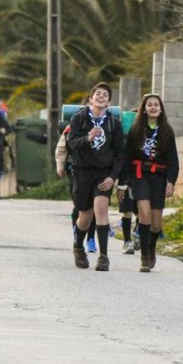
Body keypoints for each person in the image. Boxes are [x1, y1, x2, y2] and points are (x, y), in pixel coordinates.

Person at [67, 82, 123, 271]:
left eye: (105, 95)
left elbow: (119, 153)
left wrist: (112, 177)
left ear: (108, 102)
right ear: (91, 99)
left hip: (103, 173)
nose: (101, 96)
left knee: (101, 211)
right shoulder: (79, 119)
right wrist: (87, 139)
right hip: (82, 172)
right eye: (98, 94)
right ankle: (78, 247)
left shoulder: (113, 123)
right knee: (85, 216)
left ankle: (104, 257)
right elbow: (72, 144)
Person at [119, 94, 179, 272]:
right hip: (140, 175)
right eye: (149, 104)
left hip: (159, 177)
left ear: (161, 109)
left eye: (156, 105)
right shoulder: (136, 129)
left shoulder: (167, 131)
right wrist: (123, 182)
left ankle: (152, 248)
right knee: (144, 214)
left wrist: (171, 181)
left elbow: (173, 160)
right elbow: (127, 156)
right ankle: (144, 257)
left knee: (156, 224)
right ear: (144, 109)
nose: (153, 107)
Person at [55, 121, 97, 253]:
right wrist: (60, 166)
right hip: (75, 171)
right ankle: (77, 234)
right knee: (79, 205)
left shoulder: (105, 125)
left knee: (94, 207)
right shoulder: (73, 126)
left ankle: (90, 238)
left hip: (97, 171)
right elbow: (62, 148)